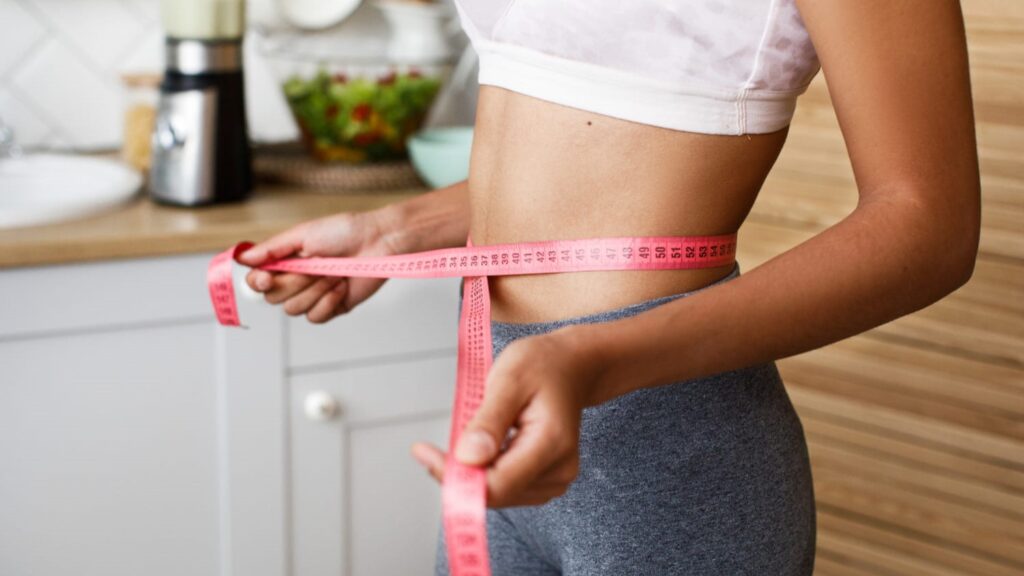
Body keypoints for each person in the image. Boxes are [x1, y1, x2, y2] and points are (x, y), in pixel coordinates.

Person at [239, 0, 980, 573]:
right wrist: (396, 229)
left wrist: (590, 358)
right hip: (502, 411)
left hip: (672, 461)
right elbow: (587, 142)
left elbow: (929, 227)